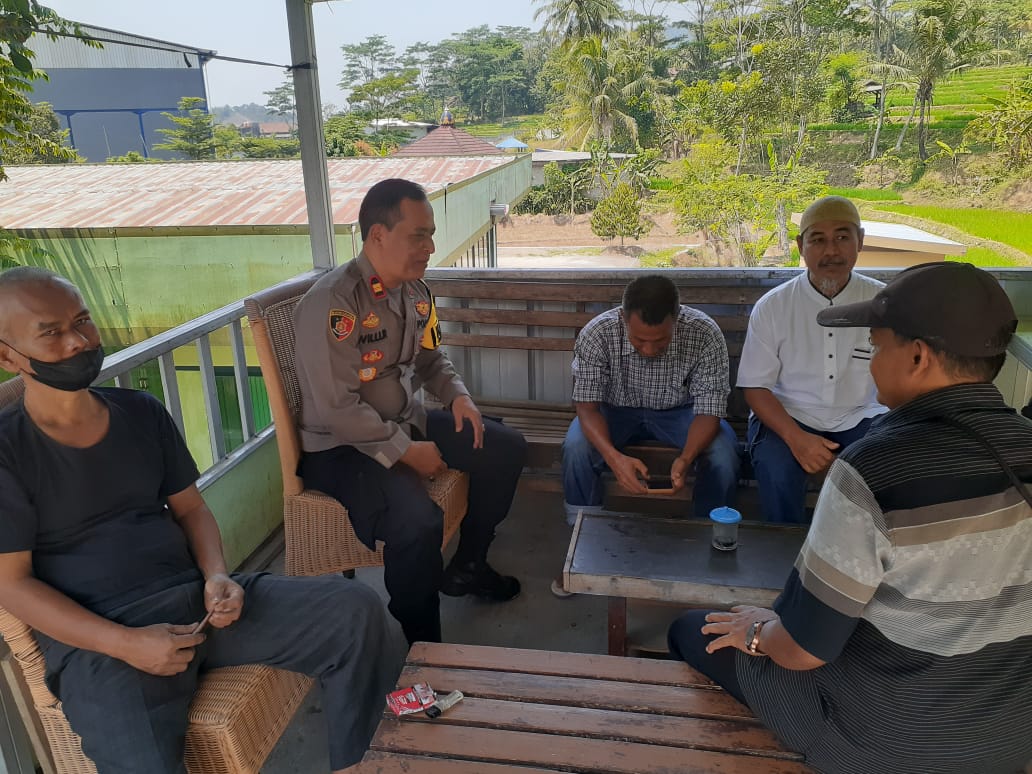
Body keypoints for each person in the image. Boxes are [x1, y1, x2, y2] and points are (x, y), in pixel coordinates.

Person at [0, 267, 399, 774]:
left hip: (197, 604)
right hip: (104, 646)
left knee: (354, 611)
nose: (78, 341)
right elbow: (10, 585)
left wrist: (216, 575)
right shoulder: (8, 449)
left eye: (82, 321)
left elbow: (190, 509)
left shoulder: (140, 413)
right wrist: (125, 643)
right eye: (51, 333)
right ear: (8, 356)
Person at [668, 262, 1032, 774]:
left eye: (876, 348)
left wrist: (757, 632)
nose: (871, 363)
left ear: (918, 357)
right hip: (1010, 737)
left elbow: (804, 650)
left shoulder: (875, 467)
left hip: (880, 744)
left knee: (693, 630)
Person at [293, 178, 527, 645]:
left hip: (404, 422)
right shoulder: (336, 302)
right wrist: (405, 451)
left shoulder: (415, 293)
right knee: (417, 522)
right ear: (378, 235)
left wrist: (458, 397)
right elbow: (337, 408)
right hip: (342, 449)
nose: (430, 247)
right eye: (418, 236)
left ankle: (469, 565)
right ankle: (422, 643)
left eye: (431, 235)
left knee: (504, 447)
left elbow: (431, 359)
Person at [737, 195, 887, 523]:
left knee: (884, 467)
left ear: (860, 241)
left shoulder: (883, 303)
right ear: (800, 246)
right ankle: (783, 548)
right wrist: (797, 439)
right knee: (776, 468)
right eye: (818, 240)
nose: (831, 251)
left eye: (842, 237)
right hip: (789, 416)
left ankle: (857, 551)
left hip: (863, 416)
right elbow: (755, 387)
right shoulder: (773, 306)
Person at [561, 274, 740, 523]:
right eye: (639, 340)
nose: (649, 350)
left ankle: (710, 528)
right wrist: (614, 459)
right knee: (576, 448)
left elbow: (709, 410)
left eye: (661, 340)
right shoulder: (598, 333)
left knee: (723, 455)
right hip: (614, 411)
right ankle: (583, 527)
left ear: (677, 319)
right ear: (623, 318)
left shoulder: (704, 333)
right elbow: (587, 408)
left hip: (682, 412)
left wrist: (686, 458)